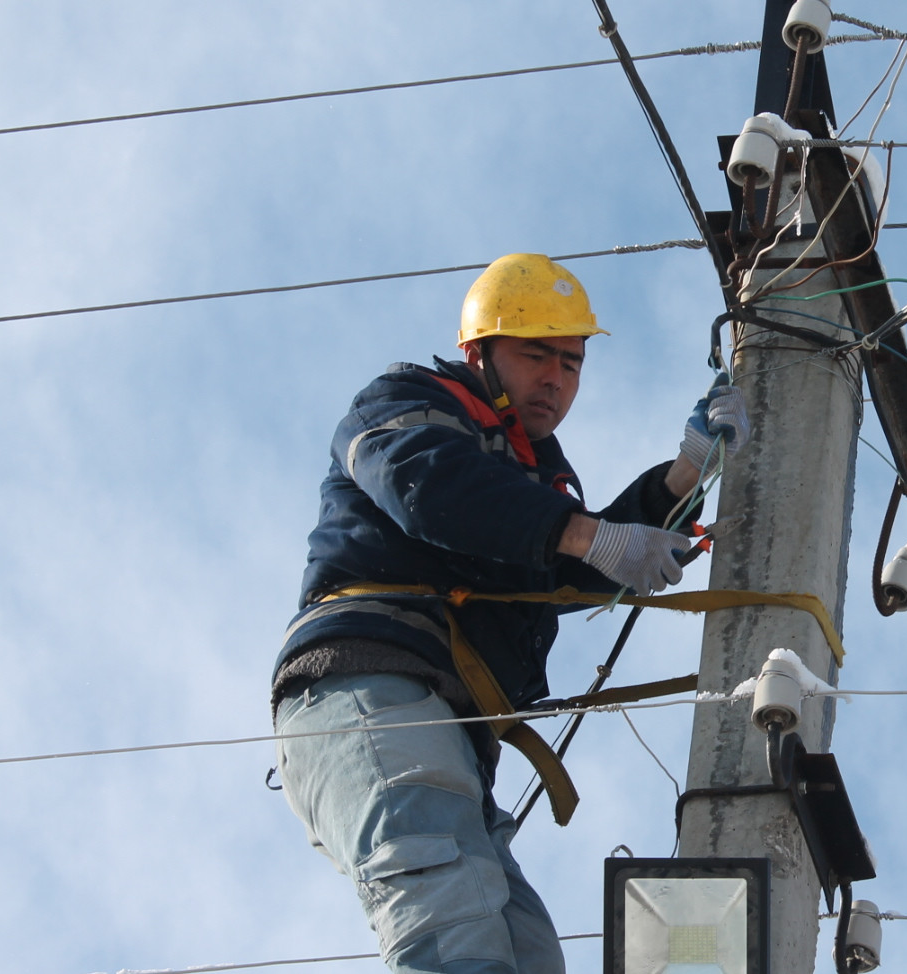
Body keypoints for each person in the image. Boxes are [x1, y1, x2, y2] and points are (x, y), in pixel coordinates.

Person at [269, 253, 750, 974]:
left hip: (447, 728)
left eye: (572, 362)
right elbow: (431, 486)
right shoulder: (406, 402)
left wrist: (686, 473)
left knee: (524, 954)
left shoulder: (533, 475)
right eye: (536, 354)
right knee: (454, 929)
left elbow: (562, 570)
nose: (556, 378)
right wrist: (590, 534)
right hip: (369, 689)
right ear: (479, 351)